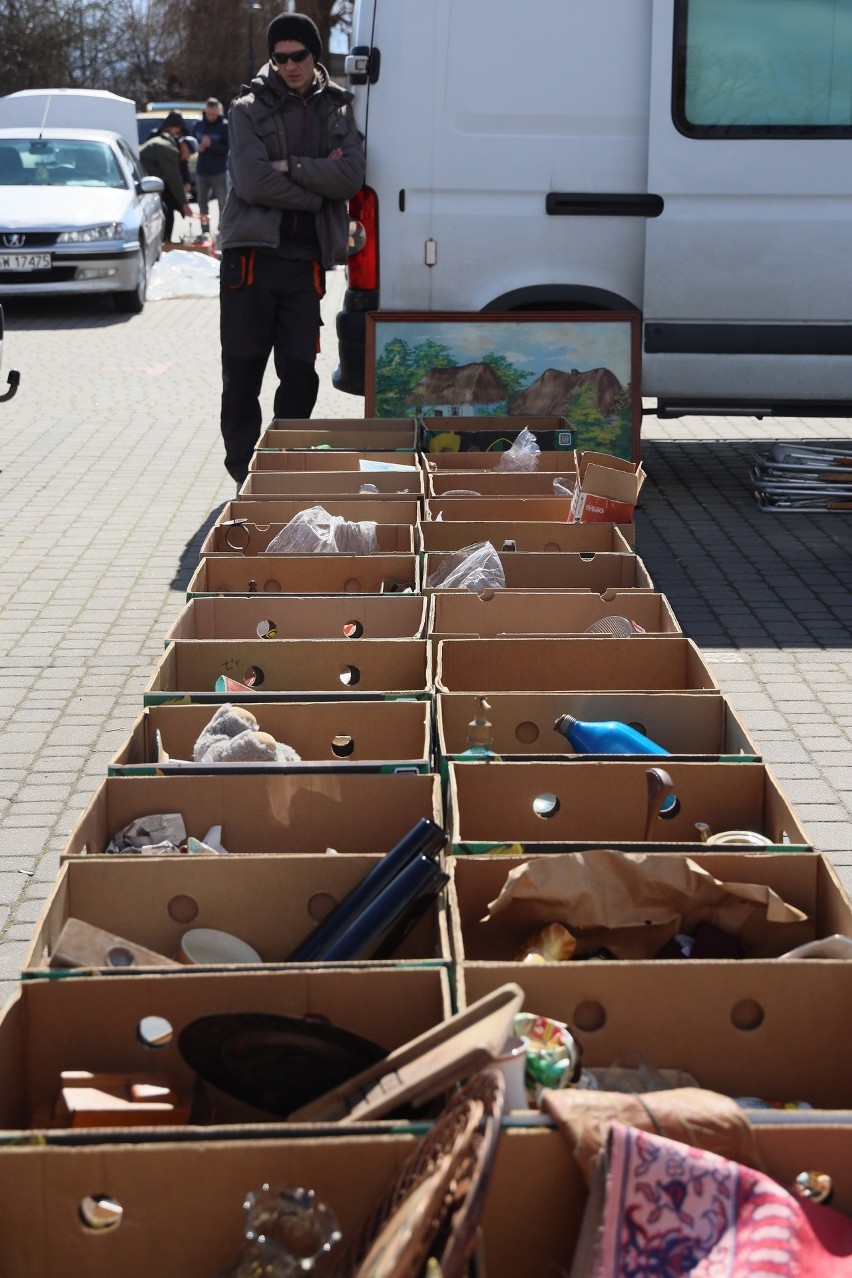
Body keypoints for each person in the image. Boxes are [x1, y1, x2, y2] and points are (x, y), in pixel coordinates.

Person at [217, 12, 366, 488]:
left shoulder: (340, 109)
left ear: (314, 54)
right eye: (279, 58)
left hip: (306, 264)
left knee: (300, 371)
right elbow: (253, 181)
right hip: (252, 260)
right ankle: (243, 472)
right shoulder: (246, 108)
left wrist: (293, 167)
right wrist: (320, 187)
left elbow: (351, 176)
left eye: (297, 56)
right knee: (243, 372)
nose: (288, 66)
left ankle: (281, 464)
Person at [140, 111, 192, 243]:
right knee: (162, 211)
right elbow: (173, 177)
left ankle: (163, 241)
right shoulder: (168, 148)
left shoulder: (166, 143)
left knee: (165, 210)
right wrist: (184, 204)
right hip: (146, 186)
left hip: (151, 185)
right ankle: (161, 242)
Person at [193, 97, 229, 241]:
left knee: (222, 203)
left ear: (218, 112)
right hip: (202, 170)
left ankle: (222, 230)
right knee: (202, 203)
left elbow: (227, 149)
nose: (211, 117)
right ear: (205, 112)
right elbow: (192, 144)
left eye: (214, 114)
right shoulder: (199, 126)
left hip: (218, 171)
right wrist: (198, 147)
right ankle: (205, 231)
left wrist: (211, 145)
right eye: (208, 114)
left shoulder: (224, 127)